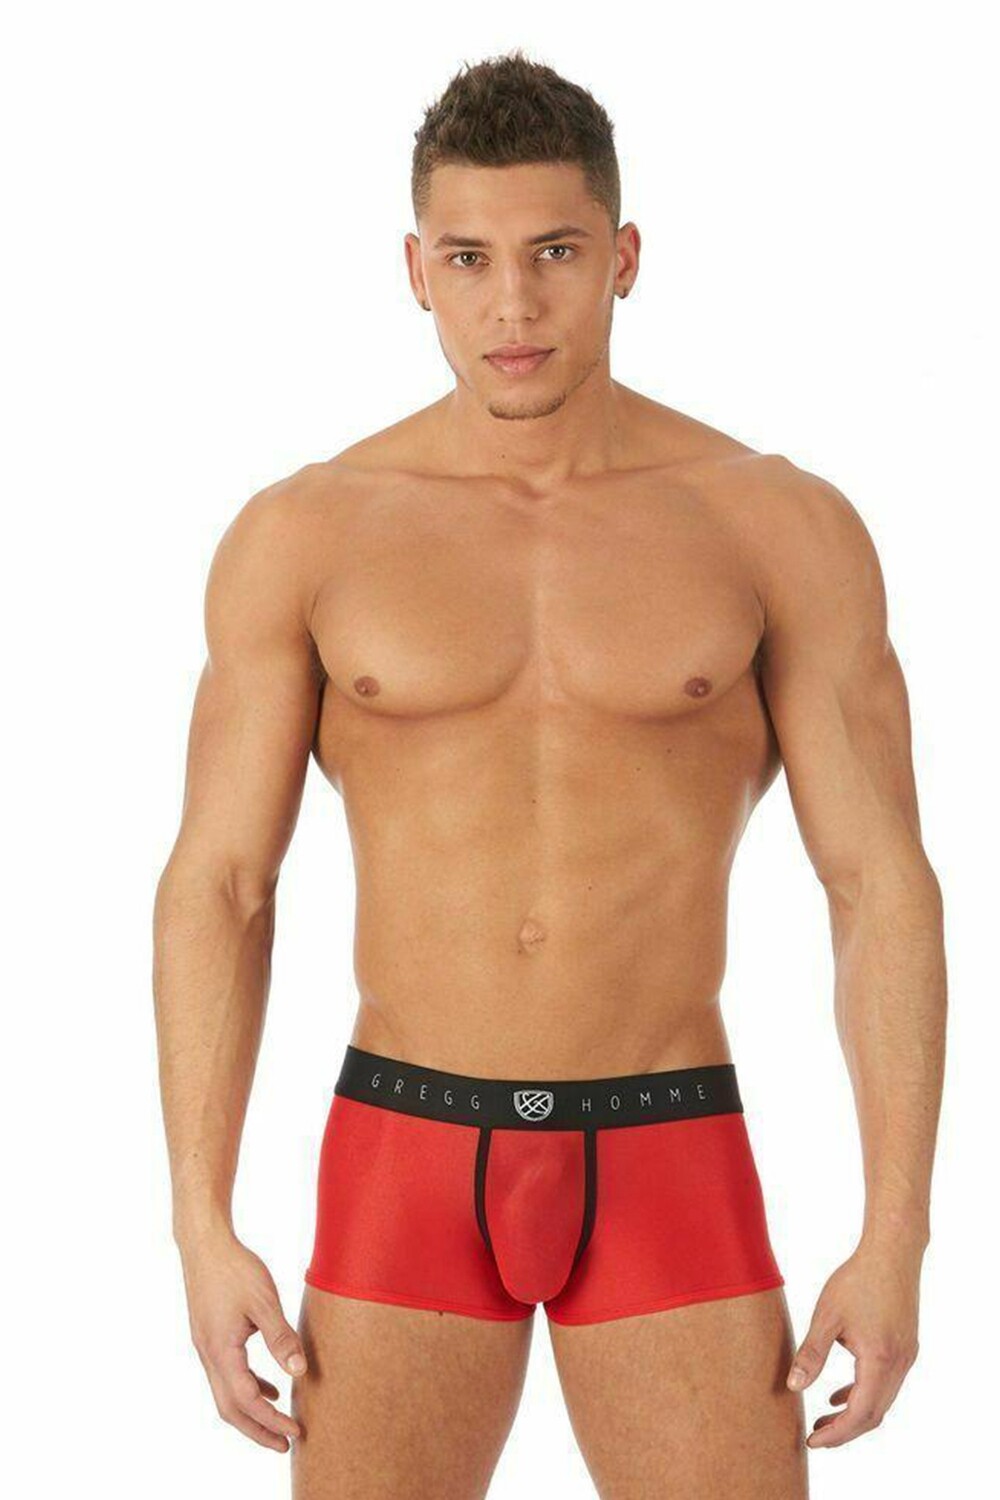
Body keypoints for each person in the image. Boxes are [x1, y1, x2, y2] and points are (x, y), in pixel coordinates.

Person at [152, 48, 947, 1499]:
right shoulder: (307, 533)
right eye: (469, 258)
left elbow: (878, 882)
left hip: (666, 1142)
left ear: (624, 257)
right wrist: (199, 1225)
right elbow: (221, 883)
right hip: (402, 1146)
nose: (512, 305)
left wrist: (897, 1234)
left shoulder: (775, 525)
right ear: (416, 270)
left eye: (555, 253)